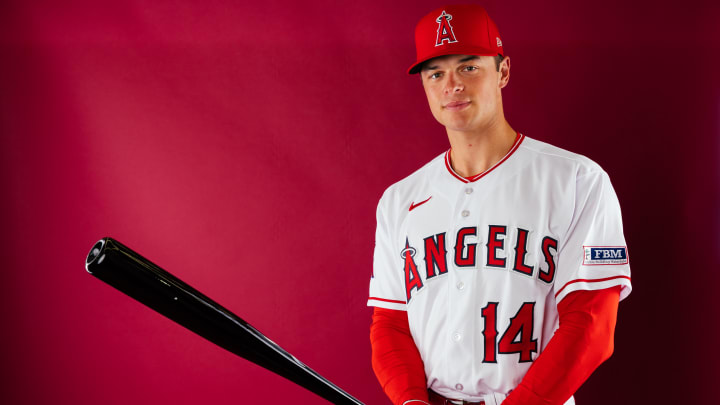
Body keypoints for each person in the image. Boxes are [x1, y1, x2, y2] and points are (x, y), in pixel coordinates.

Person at [367, 4, 632, 405]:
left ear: (502, 72)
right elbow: (391, 323)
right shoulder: (398, 200)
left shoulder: (577, 180)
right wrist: (410, 401)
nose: (450, 85)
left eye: (468, 67)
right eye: (435, 73)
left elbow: (590, 324)